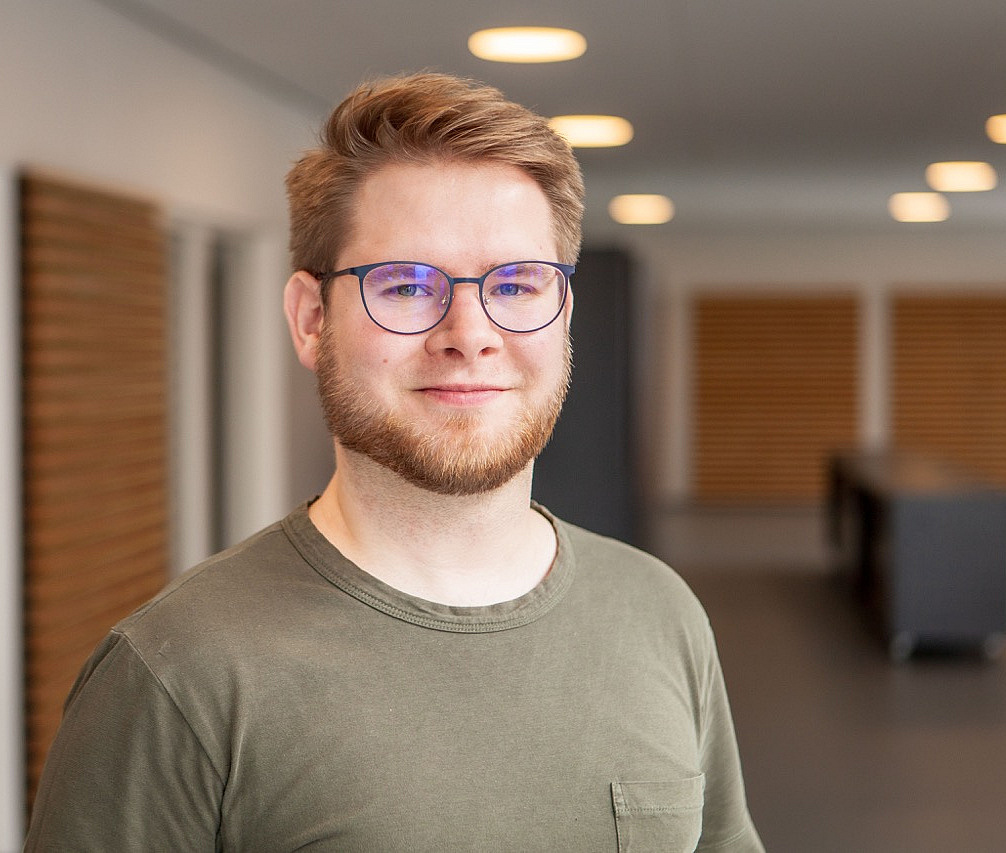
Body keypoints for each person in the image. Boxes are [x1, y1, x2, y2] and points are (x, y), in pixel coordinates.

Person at [25, 72, 763, 852]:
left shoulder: (658, 612)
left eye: (518, 283)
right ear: (311, 320)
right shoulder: (177, 675)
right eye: (407, 284)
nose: (470, 334)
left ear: (564, 315)